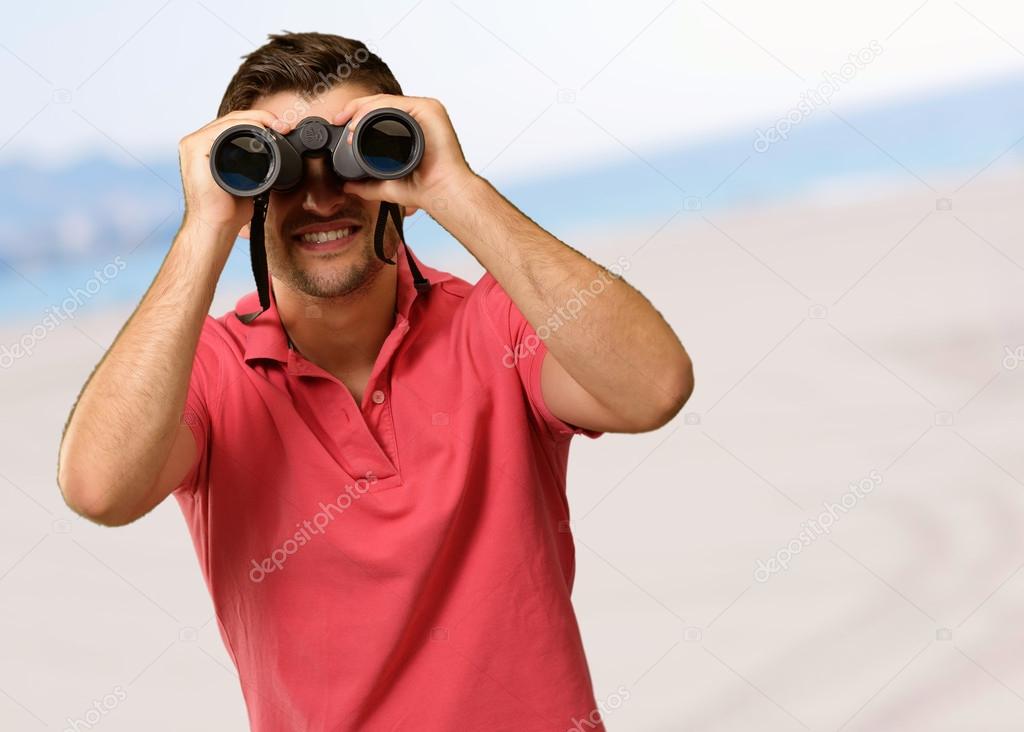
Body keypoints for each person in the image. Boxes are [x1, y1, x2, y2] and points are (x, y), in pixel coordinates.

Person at [57, 31, 693, 732]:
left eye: (351, 156)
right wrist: (203, 226)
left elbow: (654, 388)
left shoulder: (496, 325)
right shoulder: (208, 372)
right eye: (284, 172)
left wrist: (456, 187)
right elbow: (99, 490)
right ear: (246, 201)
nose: (322, 197)